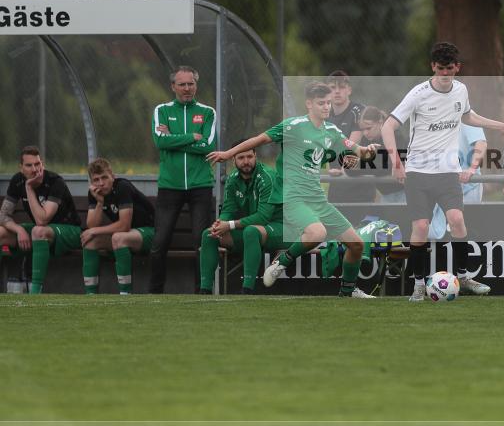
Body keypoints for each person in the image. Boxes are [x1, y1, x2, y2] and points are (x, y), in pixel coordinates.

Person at [207, 81, 381, 298]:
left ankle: (348, 291)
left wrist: (370, 151)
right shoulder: (293, 125)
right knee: (318, 233)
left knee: (356, 245)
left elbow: (359, 152)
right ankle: (283, 261)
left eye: (328, 103)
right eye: (321, 103)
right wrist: (226, 154)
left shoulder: (331, 131)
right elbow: (258, 140)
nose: (326, 107)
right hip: (293, 197)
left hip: (317, 199)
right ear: (309, 104)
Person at [381, 41, 504, 301]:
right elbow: (388, 127)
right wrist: (397, 163)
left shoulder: (461, 90)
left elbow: (468, 116)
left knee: (457, 221)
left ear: (457, 68)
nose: (444, 74)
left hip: (447, 174)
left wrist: (499, 125)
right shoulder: (418, 94)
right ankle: (419, 283)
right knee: (420, 227)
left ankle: (463, 277)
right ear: (433, 66)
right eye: (440, 68)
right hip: (418, 174)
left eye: (449, 69)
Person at [149, 65, 217, 293]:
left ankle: (203, 290)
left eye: (191, 84)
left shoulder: (208, 112)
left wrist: (174, 139)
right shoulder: (162, 110)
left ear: (196, 85)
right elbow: (160, 142)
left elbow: (208, 145)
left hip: (201, 186)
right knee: (160, 241)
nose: (187, 88)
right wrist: (191, 137)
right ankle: (155, 291)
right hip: (170, 186)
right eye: (182, 84)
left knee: (201, 240)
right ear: (173, 87)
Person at [198, 142, 286, 294]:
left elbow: (262, 217)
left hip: (281, 228)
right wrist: (220, 224)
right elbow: (228, 210)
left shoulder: (267, 177)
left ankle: (247, 290)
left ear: (255, 156)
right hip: (254, 230)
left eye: (249, 156)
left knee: (251, 232)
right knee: (209, 234)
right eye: (241, 157)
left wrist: (230, 225)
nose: (246, 161)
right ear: (234, 160)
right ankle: (204, 291)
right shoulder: (233, 180)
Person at [0, 146, 81, 294]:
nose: (35, 169)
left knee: (38, 231)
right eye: (29, 165)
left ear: (42, 164)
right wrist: (19, 230)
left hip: (70, 232)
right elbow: (3, 215)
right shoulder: (17, 181)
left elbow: (42, 220)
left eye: (37, 164)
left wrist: (29, 188)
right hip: (43, 231)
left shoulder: (55, 182)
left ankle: (35, 293)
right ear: (21, 168)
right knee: (1, 232)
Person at [81, 158, 155, 294]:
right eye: (96, 180)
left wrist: (94, 231)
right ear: (92, 182)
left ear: (112, 176)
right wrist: (99, 203)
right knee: (90, 241)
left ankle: (125, 294)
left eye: (104, 177)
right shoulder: (95, 193)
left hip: (150, 233)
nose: (101, 183)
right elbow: (91, 225)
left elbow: (124, 225)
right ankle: (90, 294)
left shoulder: (122, 187)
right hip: (129, 235)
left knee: (119, 237)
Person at [429, 123, 488, 241]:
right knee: (440, 230)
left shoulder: (467, 120)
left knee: (465, 226)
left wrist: (472, 168)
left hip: (467, 187)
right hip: (442, 186)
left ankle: (463, 257)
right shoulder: (436, 122)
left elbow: (481, 143)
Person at [346, 106, 407, 203]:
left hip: (404, 193)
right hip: (386, 195)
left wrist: (363, 165)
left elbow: (390, 166)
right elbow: (349, 168)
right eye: (362, 129)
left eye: (369, 128)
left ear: (380, 122)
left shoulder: (396, 136)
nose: (365, 133)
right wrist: (373, 165)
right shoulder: (366, 140)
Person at [325, 70, 366, 203]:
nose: (337, 91)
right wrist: (329, 171)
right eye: (332, 88)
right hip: (336, 183)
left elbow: (352, 147)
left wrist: (342, 171)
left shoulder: (359, 110)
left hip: (358, 183)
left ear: (349, 90)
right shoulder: (325, 115)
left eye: (341, 87)